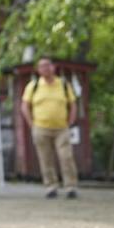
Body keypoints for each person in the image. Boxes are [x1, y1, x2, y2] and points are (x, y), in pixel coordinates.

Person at [20, 55, 79, 199]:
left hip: (61, 127)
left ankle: (70, 186)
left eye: (47, 65)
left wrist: (71, 119)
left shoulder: (64, 84)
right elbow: (25, 106)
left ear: (53, 67)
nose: (45, 69)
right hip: (40, 127)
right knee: (45, 158)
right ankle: (50, 186)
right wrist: (31, 123)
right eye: (41, 66)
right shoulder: (33, 86)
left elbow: (73, 104)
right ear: (38, 70)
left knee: (66, 156)